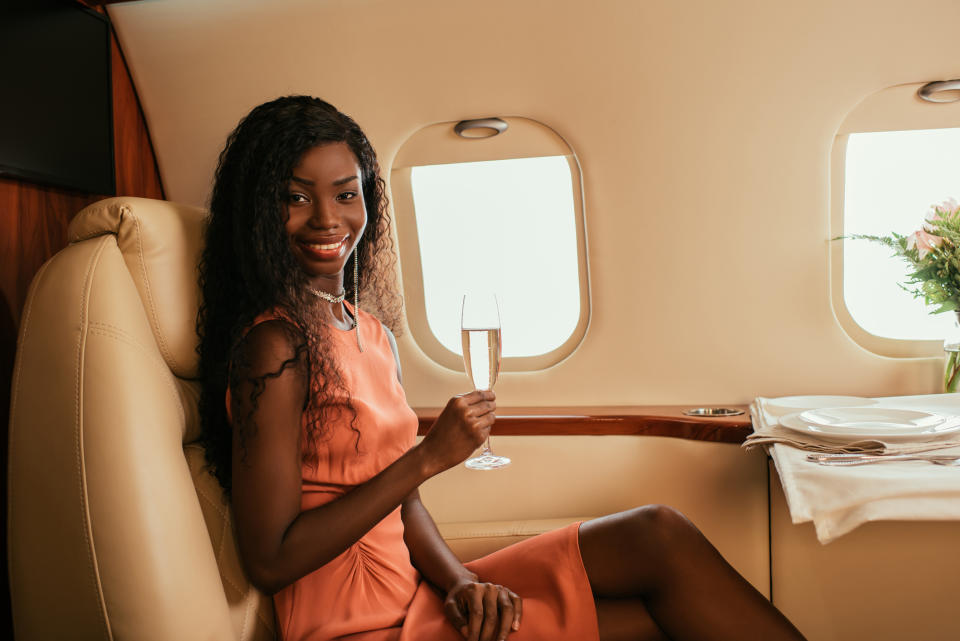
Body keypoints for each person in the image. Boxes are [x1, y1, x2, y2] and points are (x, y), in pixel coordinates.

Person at [197, 95, 807, 641]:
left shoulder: (369, 330)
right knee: (657, 619)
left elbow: (400, 503)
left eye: (345, 193)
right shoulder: (274, 349)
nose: (327, 219)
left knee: (659, 534)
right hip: (357, 623)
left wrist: (459, 581)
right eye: (297, 197)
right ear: (259, 212)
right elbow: (271, 559)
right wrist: (430, 457)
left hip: (414, 593)